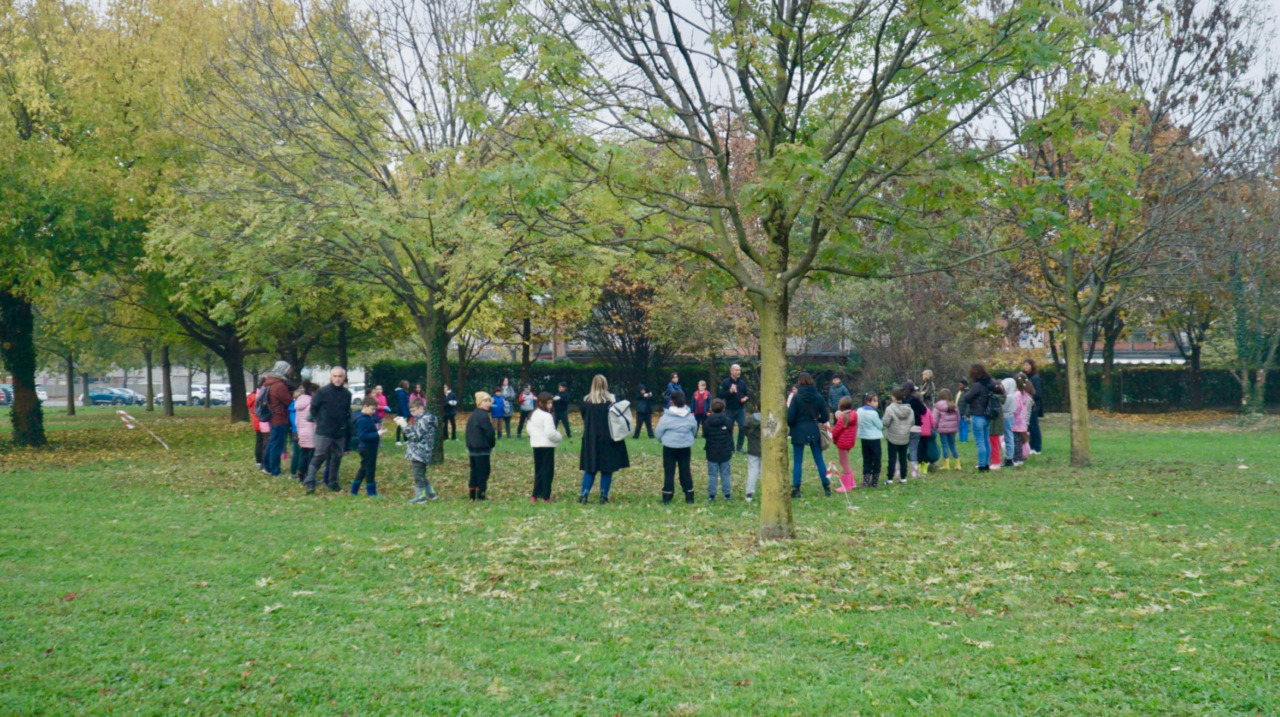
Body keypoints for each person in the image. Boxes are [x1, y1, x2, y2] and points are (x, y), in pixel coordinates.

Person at [578, 375, 630, 504]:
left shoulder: (586, 402)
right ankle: (603, 495)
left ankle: (584, 494)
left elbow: (584, 418)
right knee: (607, 468)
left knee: (590, 468)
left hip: (591, 438)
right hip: (609, 437)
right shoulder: (612, 401)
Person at [304, 367, 353, 494]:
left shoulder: (347, 394)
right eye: (335, 376)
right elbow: (313, 409)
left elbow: (347, 412)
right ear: (331, 377)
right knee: (319, 457)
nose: (337, 379)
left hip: (339, 431)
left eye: (340, 376)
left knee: (337, 457)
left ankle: (332, 482)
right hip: (324, 431)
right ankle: (310, 482)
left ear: (344, 377)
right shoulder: (322, 392)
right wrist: (320, 422)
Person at [785, 372, 830, 497]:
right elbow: (825, 416)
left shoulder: (797, 397)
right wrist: (817, 420)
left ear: (799, 382)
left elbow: (790, 418)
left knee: (798, 461)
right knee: (819, 459)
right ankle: (826, 486)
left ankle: (796, 489)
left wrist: (794, 424)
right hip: (813, 429)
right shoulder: (818, 396)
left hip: (799, 430)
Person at [654, 390, 697, 504]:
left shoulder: (667, 416)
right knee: (685, 470)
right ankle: (689, 496)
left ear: (671, 401)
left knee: (669, 471)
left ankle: (667, 496)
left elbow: (658, 432)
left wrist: (663, 440)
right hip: (685, 446)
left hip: (669, 447)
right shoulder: (689, 416)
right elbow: (694, 429)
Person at [395, 397, 439, 504]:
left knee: (418, 475)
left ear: (421, 408)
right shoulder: (424, 418)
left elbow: (415, 436)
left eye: (414, 410)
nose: (412, 413)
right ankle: (431, 494)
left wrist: (404, 426)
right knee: (421, 474)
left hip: (420, 452)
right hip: (422, 451)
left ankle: (421, 497)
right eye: (410, 411)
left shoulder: (424, 420)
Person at [960, 364, 1003, 473]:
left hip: (977, 415)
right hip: (987, 416)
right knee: (986, 441)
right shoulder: (991, 384)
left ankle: (982, 464)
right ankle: (987, 464)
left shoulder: (977, 385)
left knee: (980, 442)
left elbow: (967, 398)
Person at [257, 361, 294, 477]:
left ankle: (267, 467)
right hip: (279, 417)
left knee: (271, 443)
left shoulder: (270, 382)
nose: (290, 371)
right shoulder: (279, 385)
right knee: (277, 444)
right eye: (288, 369)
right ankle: (274, 469)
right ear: (282, 370)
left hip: (273, 416)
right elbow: (288, 401)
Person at [527, 392, 562, 502]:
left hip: (536, 445)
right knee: (547, 471)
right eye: (548, 403)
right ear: (541, 403)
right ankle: (546, 496)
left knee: (539, 470)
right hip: (547, 446)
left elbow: (529, 429)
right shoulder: (547, 416)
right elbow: (550, 433)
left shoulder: (533, 414)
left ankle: (535, 495)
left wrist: (536, 437)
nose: (550, 405)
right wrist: (559, 437)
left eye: (551, 403)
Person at [349, 396, 385, 497]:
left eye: (375, 409)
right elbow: (362, 436)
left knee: (363, 469)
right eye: (372, 409)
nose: (374, 412)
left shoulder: (367, 418)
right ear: (365, 406)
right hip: (367, 448)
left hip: (370, 447)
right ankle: (371, 492)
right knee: (370, 470)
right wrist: (377, 434)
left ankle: (354, 490)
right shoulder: (362, 420)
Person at [466, 392, 497, 501]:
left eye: (489, 401)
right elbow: (489, 432)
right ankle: (481, 494)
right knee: (483, 472)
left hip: (472, 448)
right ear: (479, 403)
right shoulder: (483, 416)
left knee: (474, 471)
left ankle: (472, 495)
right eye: (485, 401)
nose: (488, 403)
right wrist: (492, 444)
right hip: (481, 449)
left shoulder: (473, 414)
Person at [703, 398, 734, 501]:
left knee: (712, 474)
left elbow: (705, 435)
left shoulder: (707, 422)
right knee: (725, 474)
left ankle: (711, 495)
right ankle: (727, 494)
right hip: (725, 450)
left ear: (711, 409)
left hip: (712, 451)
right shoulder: (728, 421)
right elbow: (730, 433)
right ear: (723, 409)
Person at [882, 388, 914, 484]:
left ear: (893, 398)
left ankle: (890, 479)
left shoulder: (889, 409)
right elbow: (912, 422)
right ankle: (903, 478)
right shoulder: (910, 410)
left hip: (893, 437)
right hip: (905, 437)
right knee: (903, 458)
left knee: (892, 458)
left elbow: (885, 422)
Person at [718, 364, 751, 453]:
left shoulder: (742, 383)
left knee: (743, 427)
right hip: (729, 409)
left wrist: (745, 399)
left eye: (739, 370)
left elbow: (746, 394)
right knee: (729, 428)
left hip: (740, 409)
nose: (739, 372)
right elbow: (721, 395)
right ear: (731, 371)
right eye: (736, 370)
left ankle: (739, 447)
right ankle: (731, 448)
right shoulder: (725, 382)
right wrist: (730, 391)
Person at [830, 396, 859, 492]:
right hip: (850, 442)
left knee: (843, 463)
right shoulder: (854, 414)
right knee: (845, 462)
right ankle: (851, 482)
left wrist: (832, 437)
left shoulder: (843, 417)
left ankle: (846, 486)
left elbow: (836, 431)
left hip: (842, 443)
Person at [857, 393, 884, 488]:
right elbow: (880, 425)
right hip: (874, 438)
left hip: (864, 437)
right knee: (876, 459)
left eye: (877, 401)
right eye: (874, 401)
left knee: (866, 458)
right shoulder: (873, 413)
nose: (876, 403)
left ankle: (866, 480)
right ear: (868, 402)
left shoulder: (859, 411)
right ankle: (875, 481)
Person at [291, 382, 316, 482]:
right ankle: (309, 475)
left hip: (302, 431)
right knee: (311, 455)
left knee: (303, 453)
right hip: (311, 430)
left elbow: (297, 419)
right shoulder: (311, 402)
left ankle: (301, 473)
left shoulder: (299, 401)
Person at [932, 388, 961, 471]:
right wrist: (956, 427)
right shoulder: (954, 405)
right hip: (953, 429)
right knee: (953, 445)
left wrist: (935, 428)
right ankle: (957, 464)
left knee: (945, 445)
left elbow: (935, 419)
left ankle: (946, 464)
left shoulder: (938, 406)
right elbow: (958, 418)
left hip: (943, 429)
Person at [1023, 359, 1044, 455]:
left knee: (1034, 425)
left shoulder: (1035, 378)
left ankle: (1037, 447)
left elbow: (1037, 393)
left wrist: (1028, 398)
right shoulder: (1025, 377)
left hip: (1033, 405)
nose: (1025, 367)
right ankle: (1030, 446)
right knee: (1029, 426)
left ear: (1032, 366)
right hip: (1026, 405)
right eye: (1024, 365)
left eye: (1027, 365)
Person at [743, 397, 762, 501]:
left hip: (753, 448)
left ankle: (749, 493)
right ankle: (767, 491)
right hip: (766, 450)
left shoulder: (749, 420)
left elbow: (744, 428)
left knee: (752, 471)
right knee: (765, 472)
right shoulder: (770, 419)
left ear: (756, 407)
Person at [1013, 374, 1033, 466]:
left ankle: (1017, 458)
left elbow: (1016, 407)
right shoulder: (1025, 394)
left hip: (1016, 421)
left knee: (1016, 440)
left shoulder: (1017, 394)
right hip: (1022, 421)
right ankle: (1020, 457)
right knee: (1019, 440)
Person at [248, 378, 268, 470]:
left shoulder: (252, 396)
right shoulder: (262, 396)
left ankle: (258, 461)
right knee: (265, 442)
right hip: (263, 421)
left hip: (255, 422)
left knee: (259, 442)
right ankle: (264, 462)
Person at [1000, 376, 1018, 468]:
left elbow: (1003, 408)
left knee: (1008, 437)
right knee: (1008, 437)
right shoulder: (1013, 395)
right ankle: (1009, 457)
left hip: (1006, 417)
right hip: (1009, 417)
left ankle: (1009, 457)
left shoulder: (1009, 397)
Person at [394, 380, 411, 445]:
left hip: (404, 411)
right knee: (400, 425)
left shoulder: (403, 392)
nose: (408, 385)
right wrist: (405, 413)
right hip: (402, 412)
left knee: (404, 425)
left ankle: (405, 439)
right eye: (407, 384)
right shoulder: (401, 393)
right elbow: (402, 404)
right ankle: (398, 440)